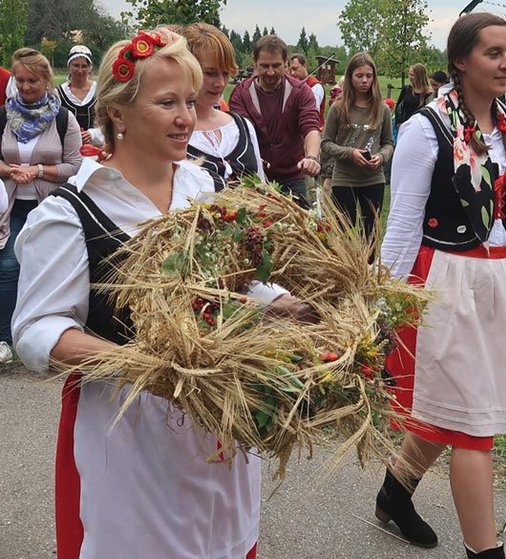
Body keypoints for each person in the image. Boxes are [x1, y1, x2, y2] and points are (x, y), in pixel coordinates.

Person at [12, 28, 307, 558]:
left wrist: (282, 305)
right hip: (129, 436)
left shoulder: (202, 188)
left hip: (219, 425)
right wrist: (147, 365)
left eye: (190, 102)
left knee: (222, 541)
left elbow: (236, 284)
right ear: (118, 113)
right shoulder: (72, 212)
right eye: (167, 102)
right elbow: (37, 330)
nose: (186, 118)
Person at [379, 12, 506, 559]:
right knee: (472, 427)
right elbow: (402, 224)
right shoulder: (427, 128)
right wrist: (380, 302)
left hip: (499, 279)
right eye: (494, 53)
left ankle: (394, 492)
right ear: (461, 61)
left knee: (459, 407)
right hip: (445, 279)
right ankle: (484, 552)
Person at [0, 47, 83, 345]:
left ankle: (50, 335)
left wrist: (36, 170)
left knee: (48, 271)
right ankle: (5, 340)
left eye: (32, 80)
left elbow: (74, 166)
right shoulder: (3, 116)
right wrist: (10, 171)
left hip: (49, 208)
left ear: (46, 79)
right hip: (9, 208)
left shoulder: (63, 119)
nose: (25, 87)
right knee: (9, 266)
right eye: (20, 80)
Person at [229, 34, 321, 204]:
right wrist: (253, 158)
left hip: (293, 178)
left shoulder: (300, 91)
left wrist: (312, 158)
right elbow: (242, 135)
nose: (270, 72)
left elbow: (310, 127)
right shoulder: (241, 94)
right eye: (264, 66)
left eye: (276, 65)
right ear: (254, 62)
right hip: (254, 179)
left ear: (286, 63)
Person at [182, 23, 266, 189]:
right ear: (187, 69)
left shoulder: (242, 126)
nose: (220, 83)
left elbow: (262, 188)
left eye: (225, 73)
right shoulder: (173, 132)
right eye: (210, 73)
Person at [321, 52, 393, 243]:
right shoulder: (338, 108)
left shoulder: (382, 109)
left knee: (371, 234)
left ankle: (369, 271)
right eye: (359, 76)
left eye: (369, 76)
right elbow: (326, 142)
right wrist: (349, 153)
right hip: (344, 178)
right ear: (350, 77)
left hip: (373, 178)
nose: (364, 81)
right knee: (344, 234)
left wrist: (382, 157)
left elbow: (388, 143)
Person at [56, 45, 104, 147]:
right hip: (66, 149)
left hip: (94, 150)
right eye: (76, 65)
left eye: (84, 66)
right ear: (69, 66)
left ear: (90, 68)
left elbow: (107, 123)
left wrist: (92, 134)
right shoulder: (59, 93)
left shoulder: (99, 91)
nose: (80, 70)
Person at [289, 53, 326, 129]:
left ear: (305, 66)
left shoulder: (315, 86)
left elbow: (312, 114)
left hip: (314, 130)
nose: (292, 73)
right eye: (290, 70)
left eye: (295, 69)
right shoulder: (293, 84)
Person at [395, 63, 433, 130]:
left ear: (420, 76)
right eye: (409, 74)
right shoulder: (406, 89)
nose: (410, 77)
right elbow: (398, 107)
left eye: (412, 75)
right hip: (405, 127)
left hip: (421, 128)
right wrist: (399, 122)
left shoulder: (430, 93)